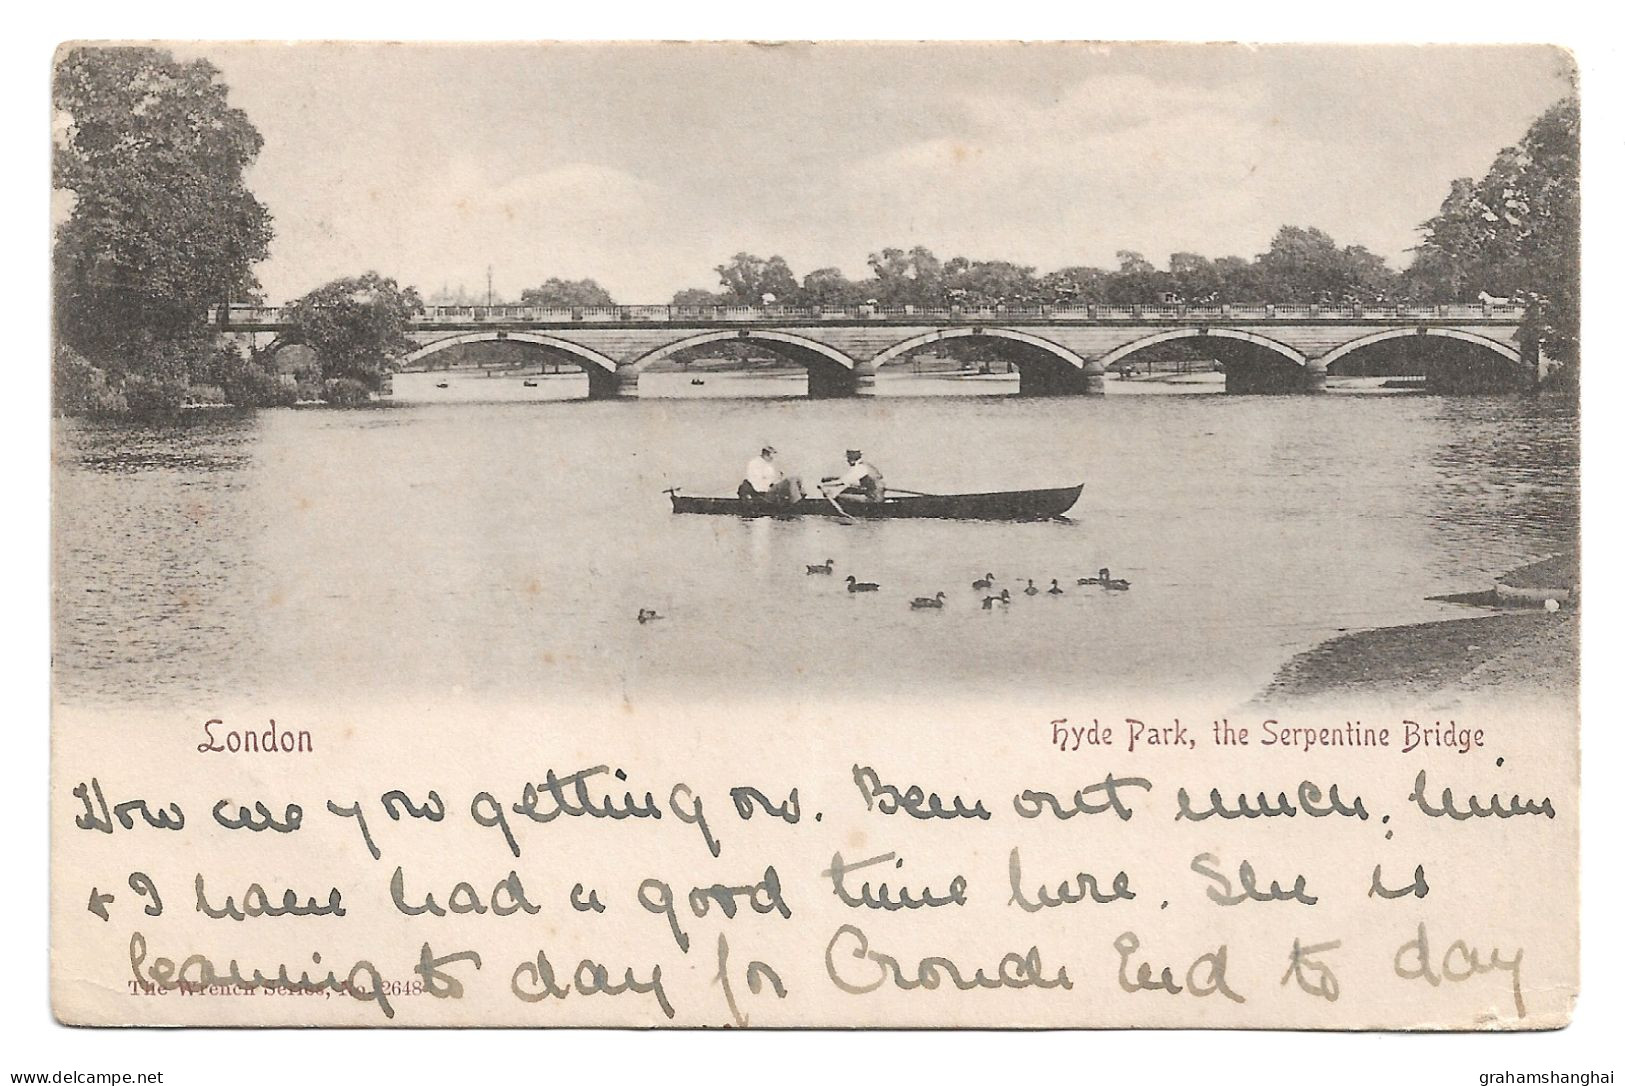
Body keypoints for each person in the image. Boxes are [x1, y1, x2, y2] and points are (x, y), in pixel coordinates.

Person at [738, 446, 803, 504]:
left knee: (797, 478)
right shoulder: (755, 463)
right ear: (766, 454)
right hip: (765, 493)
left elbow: (772, 479)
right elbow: (756, 483)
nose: (773, 458)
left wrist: (779, 479)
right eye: (772, 455)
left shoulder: (768, 464)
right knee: (791, 479)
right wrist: (774, 484)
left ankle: (799, 498)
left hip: (771, 490)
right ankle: (796, 503)